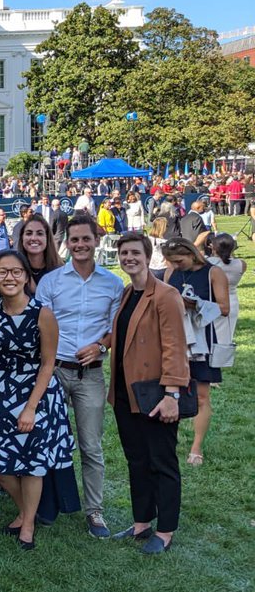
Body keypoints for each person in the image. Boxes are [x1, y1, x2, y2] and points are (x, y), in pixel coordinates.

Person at [34, 215, 124, 537]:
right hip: (55, 370)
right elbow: (39, 324)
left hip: (91, 374)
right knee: (46, 440)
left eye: (86, 239)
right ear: (66, 243)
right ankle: (44, 504)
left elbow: (118, 329)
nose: (80, 245)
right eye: (74, 240)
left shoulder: (113, 284)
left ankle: (94, 511)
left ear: (96, 240)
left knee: (90, 445)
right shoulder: (52, 282)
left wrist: (101, 345)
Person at [0, 251, 75, 550]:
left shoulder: (42, 313)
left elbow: (49, 363)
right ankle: (25, 512)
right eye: (2, 272)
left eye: (16, 272)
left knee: (32, 463)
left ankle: (29, 524)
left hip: (37, 391)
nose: (9, 277)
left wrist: (31, 407)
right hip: (1, 390)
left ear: (26, 276)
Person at [109, 232, 189, 555]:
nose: (129, 258)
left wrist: (172, 394)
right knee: (137, 461)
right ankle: (142, 522)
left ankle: (166, 529)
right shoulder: (129, 294)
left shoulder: (165, 295)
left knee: (162, 462)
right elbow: (125, 336)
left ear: (147, 254)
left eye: (135, 253)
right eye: (124, 253)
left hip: (156, 394)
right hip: (127, 394)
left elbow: (175, 346)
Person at [164, 237, 229, 467]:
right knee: (172, 391)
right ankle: (172, 439)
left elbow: (224, 308)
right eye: (171, 261)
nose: (176, 265)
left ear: (192, 254)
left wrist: (195, 303)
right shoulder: (171, 272)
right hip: (175, 338)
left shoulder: (213, 272)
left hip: (203, 339)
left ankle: (196, 448)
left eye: (179, 260)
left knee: (201, 395)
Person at [208, 234, 245, 357]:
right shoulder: (240, 264)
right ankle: (223, 357)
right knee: (227, 333)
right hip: (232, 299)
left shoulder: (208, 263)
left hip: (212, 299)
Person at [17, 214, 63, 284]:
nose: (34, 238)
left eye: (40, 234)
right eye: (29, 233)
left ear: (47, 238)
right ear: (22, 237)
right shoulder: (14, 270)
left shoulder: (60, 271)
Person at [148, 215, 170, 282]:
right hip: (161, 269)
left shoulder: (146, 239)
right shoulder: (164, 242)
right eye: (167, 226)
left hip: (149, 268)